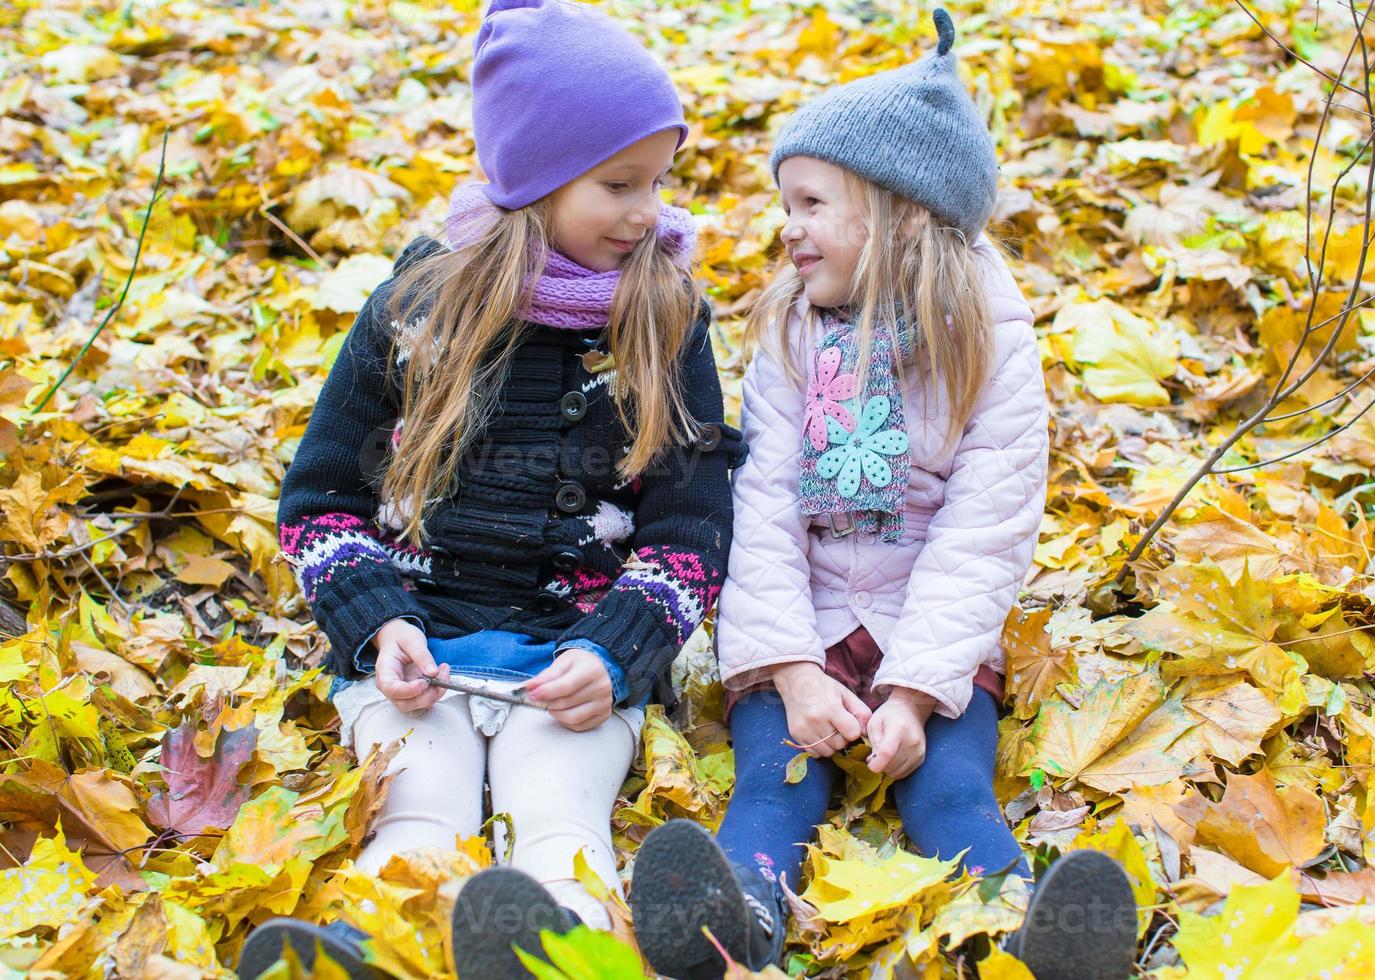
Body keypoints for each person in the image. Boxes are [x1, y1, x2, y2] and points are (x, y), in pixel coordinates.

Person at [626, 10, 1137, 980]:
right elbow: (762, 506)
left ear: (902, 211)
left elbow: (984, 532)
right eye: (789, 203)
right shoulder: (789, 330)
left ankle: (1030, 933)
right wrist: (787, 669)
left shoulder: (990, 340)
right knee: (775, 789)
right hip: (805, 621)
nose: (790, 228)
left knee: (949, 792)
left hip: (930, 627)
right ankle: (731, 923)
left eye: (814, 202)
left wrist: (914, 688)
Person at [238, 3, 743, 977]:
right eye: (618, 184)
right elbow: (320, 497)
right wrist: (378, 622)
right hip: (419, 657)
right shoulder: (418, 310)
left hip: (574, 667)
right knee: (419, 810)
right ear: (532, 182)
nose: (650, 212)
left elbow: (691, 521)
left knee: (555, 816)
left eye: (659, 181)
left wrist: (620, 648)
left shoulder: (663, 316)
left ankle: (562, 950)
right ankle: (362, 956)